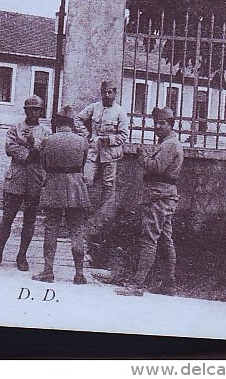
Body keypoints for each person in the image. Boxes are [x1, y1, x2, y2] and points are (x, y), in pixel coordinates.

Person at [116, 106, 184, 297]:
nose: (157, 127)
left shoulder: (170, 144)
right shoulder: (168, 143)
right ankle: (169, 285)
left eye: (162, 123)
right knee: (164, 239)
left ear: (171, 125)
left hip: (159, 196)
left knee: (149, 238)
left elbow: (156, 167)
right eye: (156, 123)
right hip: (163, 196)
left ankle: (137, 285)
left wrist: (142, 156)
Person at [0, 95, 50, 271]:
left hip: (35, 181)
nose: (34, 113)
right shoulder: (16, 128)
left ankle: (22, 256)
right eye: (31, 109)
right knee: (7, 219)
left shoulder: (45, 132)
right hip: (15, 179)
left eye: (37, 110)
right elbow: (10, 148)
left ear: (41, 112)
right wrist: (30, 152)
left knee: (29, 221)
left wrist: (30, 145)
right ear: (25, 111)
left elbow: (45, 153)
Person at [32, 106, 91, 284]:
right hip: (76, 187)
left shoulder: (48, 141)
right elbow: (82, 164)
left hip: (54, 186)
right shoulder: (82, 141)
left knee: (51, 229)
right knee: (76, 230)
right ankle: (79, 273)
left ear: (57, 122)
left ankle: (48, 271)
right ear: (72, 123)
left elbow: (44, 164)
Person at [74, 79, 130, 261]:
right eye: (105, 92)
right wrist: (88, 135)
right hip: (93, 152)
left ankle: (103, 221)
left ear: (115, 93)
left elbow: (123, 136)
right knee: (86, 180)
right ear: (101, 92)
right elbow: (78, 119)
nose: (107, 95)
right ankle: (81, 218)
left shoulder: (120, 113)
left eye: (111, 92)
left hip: (110, 154)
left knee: (108, 186)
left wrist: (110, 140)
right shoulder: (94, 108)